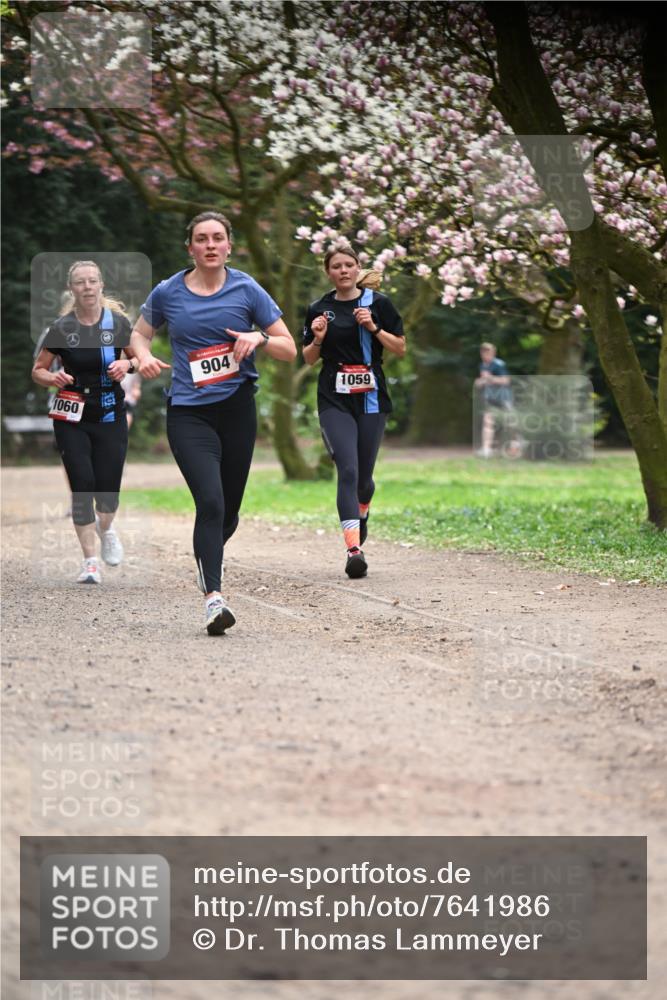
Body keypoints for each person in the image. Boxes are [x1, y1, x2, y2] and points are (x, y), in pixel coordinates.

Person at [130, 210, 296, 635]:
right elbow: (139, 334)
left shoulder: (247, 289)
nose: (209, 244)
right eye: (201, 238)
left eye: (217, 237)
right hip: (189, 413)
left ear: (228, 246)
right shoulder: (168, 291)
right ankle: (214, 599)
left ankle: (207, 558)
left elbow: (289, 348)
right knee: (211, 501)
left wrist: (258, 337)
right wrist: (145, 357)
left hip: (238, 411)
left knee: (230, 514)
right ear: (190, 247)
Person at [302, 245, 406, 579]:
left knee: (363, 479)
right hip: (334, 397)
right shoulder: (319, 309)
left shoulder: (379, 303)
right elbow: (307, 358)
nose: (343, 270)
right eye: (336, 266)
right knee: (346, 469)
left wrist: (374, 328)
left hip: (372, 397)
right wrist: (318, 338)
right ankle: (353, 550)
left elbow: (400, 348)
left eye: (349, 265)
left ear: (358, 268)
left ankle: (362, 513)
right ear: (328, 272)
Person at [32, 260, 135, 583]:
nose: (87, 287)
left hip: (109, 415)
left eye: (92, 281)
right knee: (81, 485)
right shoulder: (61, 328)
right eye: (80, 282)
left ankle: (106, 529)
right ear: (71, 289)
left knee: (108, 493)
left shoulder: (117, 323)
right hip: (71, 416)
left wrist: (127, 364)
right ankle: (90, 562)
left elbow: (139, 358)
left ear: (101, 285)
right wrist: (53, 377)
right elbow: (38, 369)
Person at [474, 342, 514, 458]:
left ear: (493, 353)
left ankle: (516, 442)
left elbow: (506, 381)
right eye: (483, 352)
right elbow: (484, 381)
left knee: (510, 422)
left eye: (488, 352)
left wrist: (490, 378)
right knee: (487, 422)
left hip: (503, 398)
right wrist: (479, 382)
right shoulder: (482, 365)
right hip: (490, 398)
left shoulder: (499, 364)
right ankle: (486, 449)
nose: (485, 355)